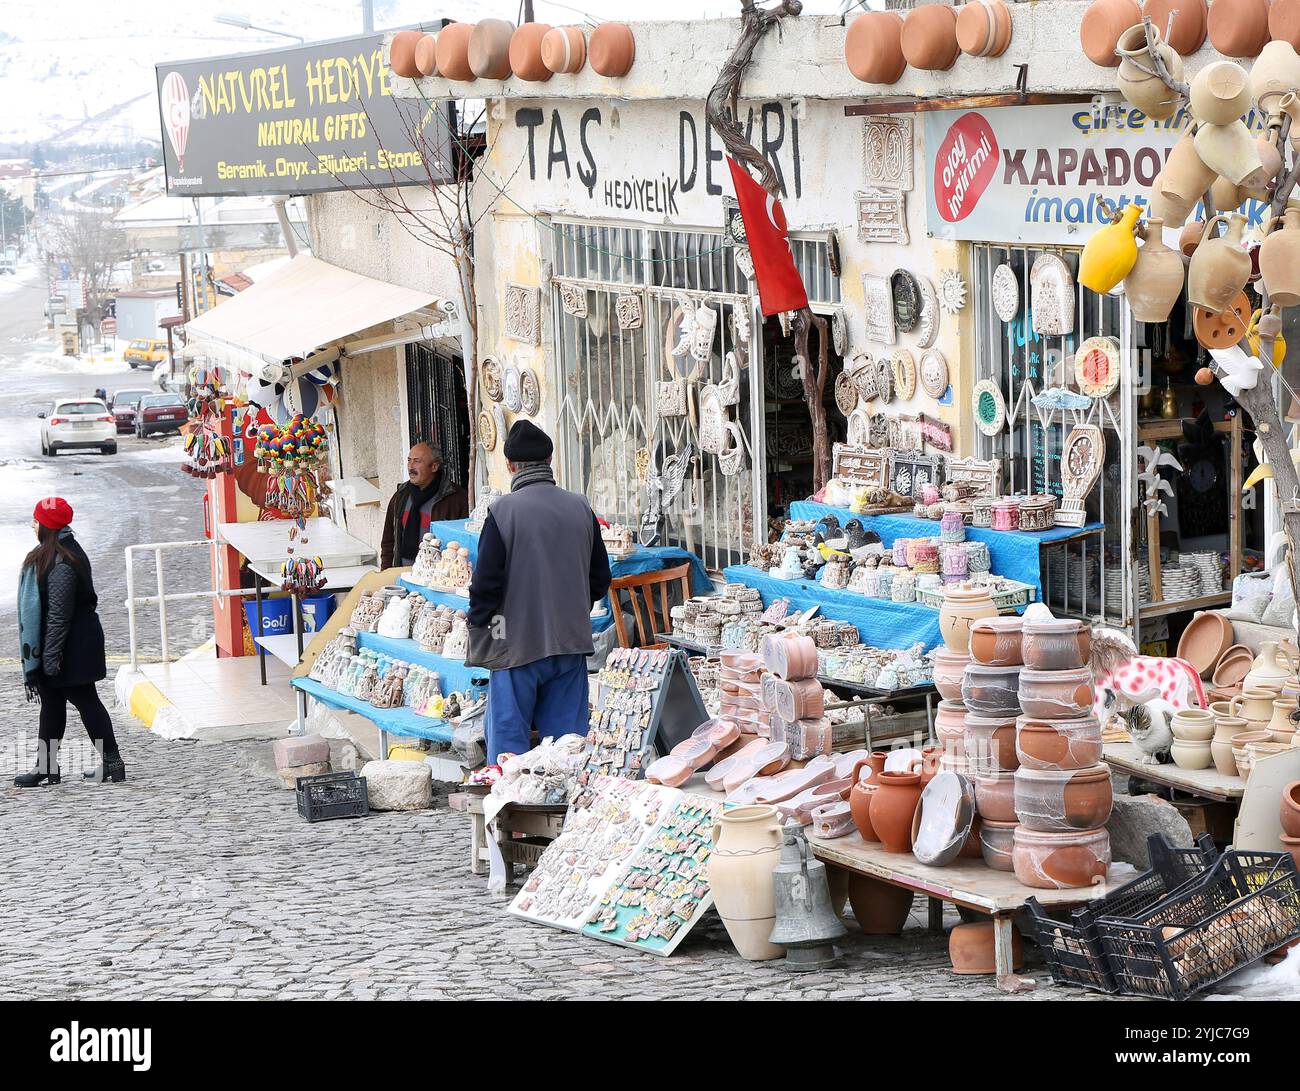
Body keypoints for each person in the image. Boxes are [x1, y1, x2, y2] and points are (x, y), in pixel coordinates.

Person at [468, 421, 612, 762]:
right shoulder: (581, 507)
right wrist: (570, 609)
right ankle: (566, 813)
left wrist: (488, 631)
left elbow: (485, 588)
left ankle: (509, 812)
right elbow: (600, 578)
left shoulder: (502, 512)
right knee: (567, 748)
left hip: (516, 647)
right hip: (570, 643)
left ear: (510, 465)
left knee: (509, 750)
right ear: (550, 461)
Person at [16, 497, 125, 786]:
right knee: (51, 704)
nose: (32, 525)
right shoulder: (53, 554)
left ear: (47, 527)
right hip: (65, 644)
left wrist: (50, 658)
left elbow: (59, 616)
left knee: (86, 700)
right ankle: (46, 767)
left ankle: (112, 762)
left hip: (72, 646)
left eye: (36, 521)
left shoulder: (62, 561)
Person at [380, 441, 469, 570]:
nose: (410, 467)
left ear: (434, 466)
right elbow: (388, 541)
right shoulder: (401, 496)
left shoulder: (456, 498)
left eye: (417, 461)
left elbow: (463, 543)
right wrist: (386, 572)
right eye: (409, 460)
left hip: (438, 575)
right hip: (403, 574)